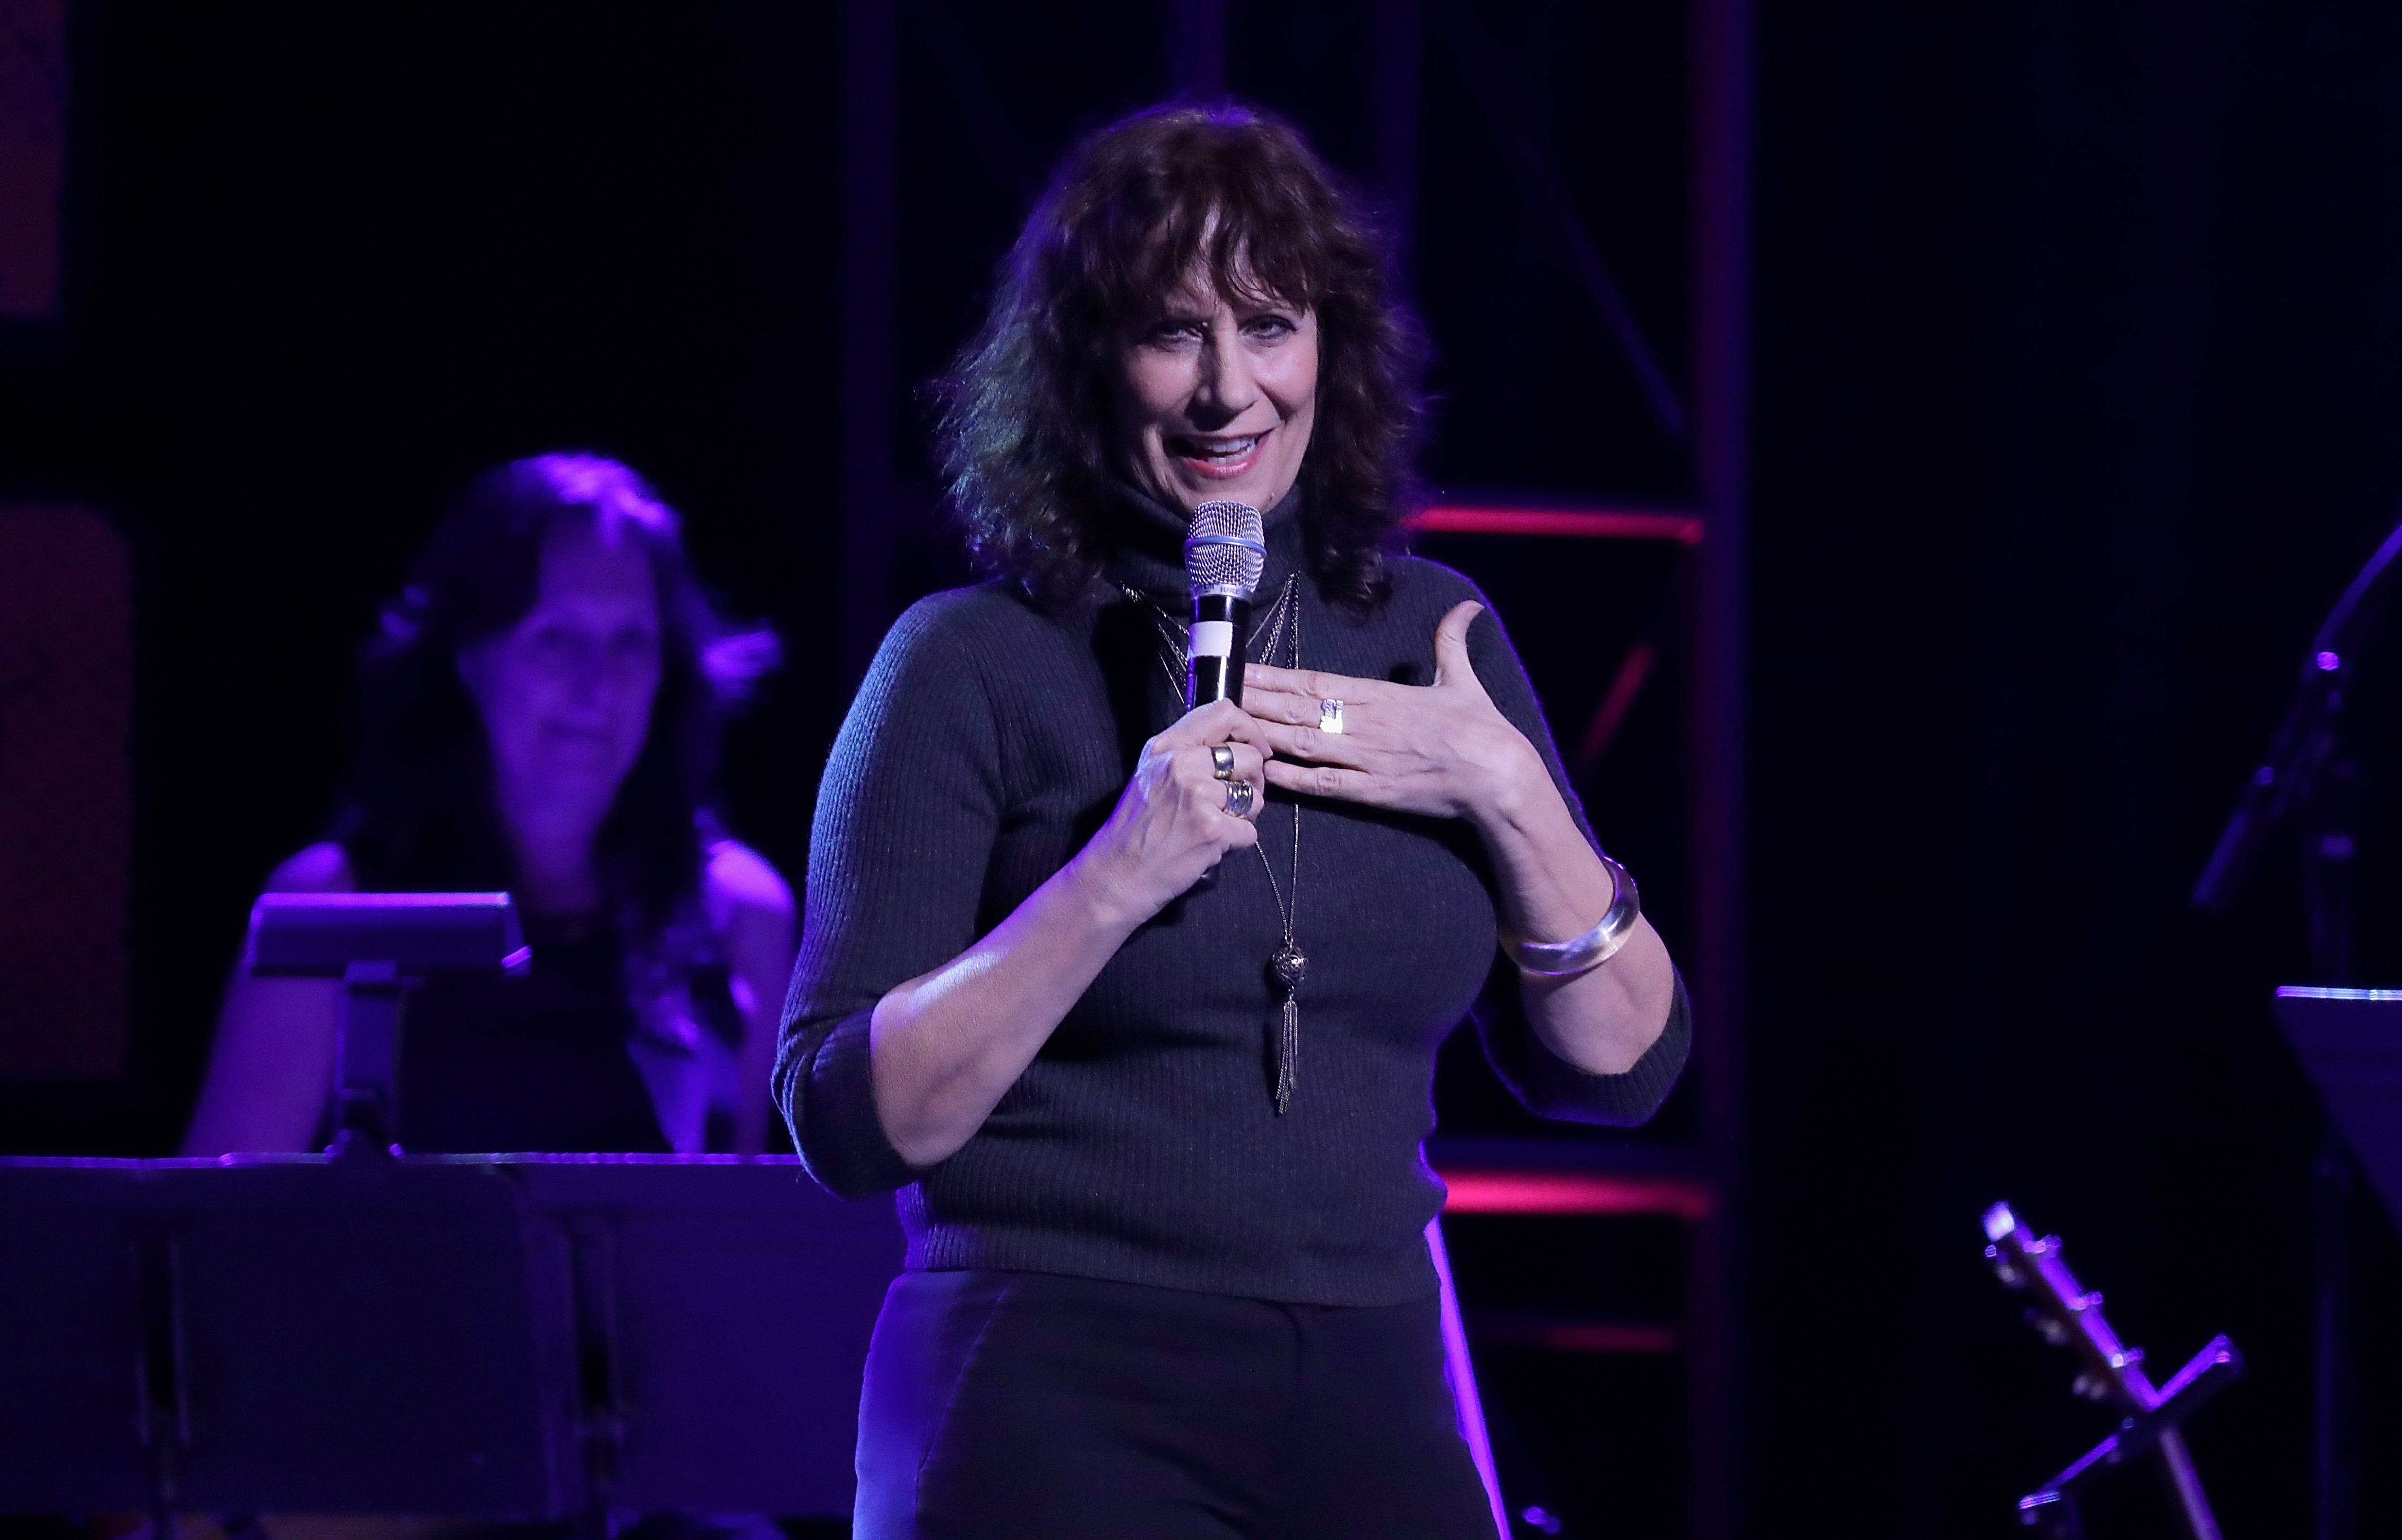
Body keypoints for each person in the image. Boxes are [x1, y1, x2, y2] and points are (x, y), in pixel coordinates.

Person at [780, 102, 1690, 1538]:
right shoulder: (968, 661)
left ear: (1330, 350)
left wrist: (1507, 792)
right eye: (1168, 333)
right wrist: (1111, 876)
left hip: (1369, 1371)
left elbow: (1619, 1065)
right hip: (1047, 1374)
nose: (1224, 390)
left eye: (1266, 325)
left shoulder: (1429, 637)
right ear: (1088, 365)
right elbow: (845, 1118)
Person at [186, 453, 795, 1158]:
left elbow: (729, 1240)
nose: (596, 684)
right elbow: (213, 1238)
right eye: (556, 638)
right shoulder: (329, 909)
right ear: (468, 655)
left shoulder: (744, 915)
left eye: (630, 642)